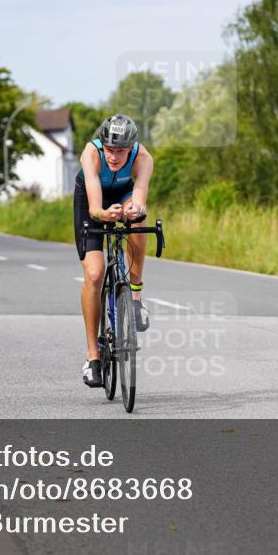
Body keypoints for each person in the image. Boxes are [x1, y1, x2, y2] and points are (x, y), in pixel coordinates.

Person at [74, 114, 153, 387]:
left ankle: (135, 296)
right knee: (95, 274)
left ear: (131, 148)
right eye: (109, 149)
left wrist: (135, 209)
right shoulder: (91, 154)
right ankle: (92, 357)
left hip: (123, 194)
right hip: (90, 200)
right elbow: (95, 206)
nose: (114, 157)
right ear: (102, 145)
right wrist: (103, 214)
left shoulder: (143, 157)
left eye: (120, 151)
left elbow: (139, 193)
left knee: (138, 220)